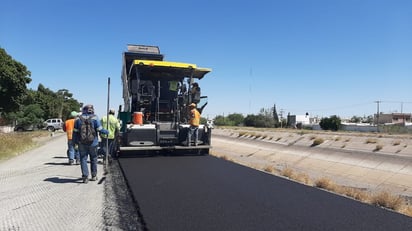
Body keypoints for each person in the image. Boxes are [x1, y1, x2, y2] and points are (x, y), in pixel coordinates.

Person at [73, 104, 108, 183]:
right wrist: (106, 132)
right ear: (92, 110)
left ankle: (85, 177)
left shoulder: (78, 119)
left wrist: (74, 142)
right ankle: (94, 175)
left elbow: (75, 132)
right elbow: (100, 129)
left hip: (81, 143)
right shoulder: (95, 117)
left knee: (83, 159)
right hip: (93, 143)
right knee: (93, 158)